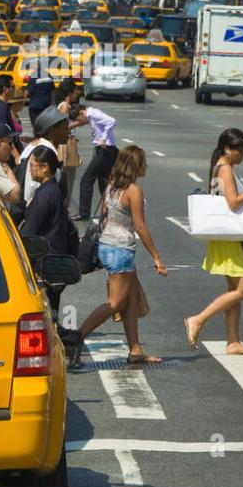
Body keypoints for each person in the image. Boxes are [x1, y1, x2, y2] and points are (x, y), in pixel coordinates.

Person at [184, 128, 243, 356]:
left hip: (227, 234)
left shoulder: (222, 166)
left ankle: (232, 341)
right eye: (239, 150)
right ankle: (198, 319)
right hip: (232, 236)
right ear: (227, 149)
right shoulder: (225, 169)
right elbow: (233, 203)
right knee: (242, 290)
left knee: (234, 290)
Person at [77, 146, 167, 364]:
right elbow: (140, 226)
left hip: (107, 246)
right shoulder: (133, 190)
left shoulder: (111, 187)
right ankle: (75, 339)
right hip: (121, 250)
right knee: (115, 303)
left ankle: (135, 350)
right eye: (144, 162)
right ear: (136, 165)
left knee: (131, 300)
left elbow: (105, 218)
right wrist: (156, 256)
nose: (146, 166)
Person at [20, 146, 76, 255]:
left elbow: (29, 230)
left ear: (44, 167)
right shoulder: (52, 190)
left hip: (46, 257)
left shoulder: (45, 195)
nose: (30, 170)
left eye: (32, 165)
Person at [75, 103, 118, 221]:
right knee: (103, 181)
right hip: (105, 150)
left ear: (81, 113)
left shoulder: (93, 114)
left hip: (105, 150)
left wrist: (103, 137)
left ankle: (84, 213)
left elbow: (112, 121)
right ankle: (110, 211)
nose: (81, 122)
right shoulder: (90, 115)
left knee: (86, 180)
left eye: (79, 119)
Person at [20, 107, 69, 202]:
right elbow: (31, 193)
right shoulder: (44, 153)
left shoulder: (35, 146)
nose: (69, 132)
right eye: (65, 128)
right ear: (52, 131)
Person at [55, 80, 84, 201]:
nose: (77, 94)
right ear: (70, 93)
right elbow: (62, 127)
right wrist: (79, 123)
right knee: (67, 180)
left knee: (68, 179)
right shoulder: (65, 106)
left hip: (66, 144)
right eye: (75, 92)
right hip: (65, 147)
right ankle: (64, 207)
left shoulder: (64, 105)